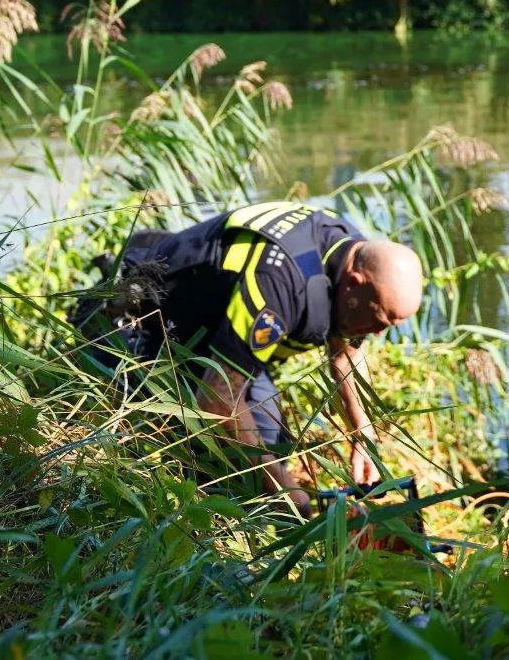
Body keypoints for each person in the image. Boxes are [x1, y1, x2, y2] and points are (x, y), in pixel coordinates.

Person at [75, 201, 424, 518]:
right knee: (231, 471)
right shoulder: (281, 280)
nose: (378, 334)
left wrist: (362, 434)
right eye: (379, 320)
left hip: (214, 330)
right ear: (354, 282)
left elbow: (346, 352)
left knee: (272, 449)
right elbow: (217, 400)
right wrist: (285, 488)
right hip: (142, 323)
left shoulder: (349, 252)